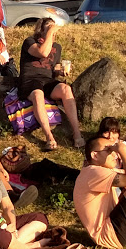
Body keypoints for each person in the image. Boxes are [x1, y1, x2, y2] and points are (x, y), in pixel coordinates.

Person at [18, 18, 84, 151]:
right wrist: (50, 32)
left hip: (47, 80)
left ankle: (77, 133)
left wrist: (61, 71)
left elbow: (55, 68)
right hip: (30, 80)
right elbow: (42, 52)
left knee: (66, 89)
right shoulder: (30, 42)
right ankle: (49, 137)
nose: (53, 31)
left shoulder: (57, 47)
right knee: (38, 95)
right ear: (41, 29)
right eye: (48, 27)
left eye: (53, 28)